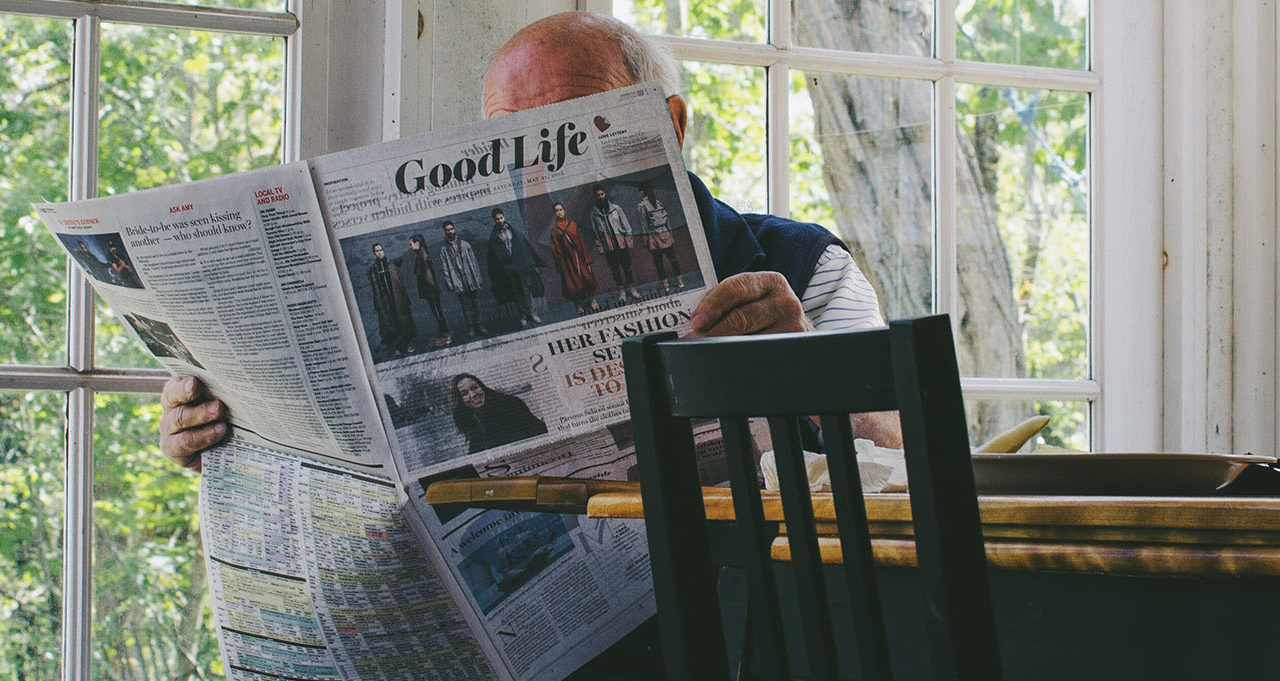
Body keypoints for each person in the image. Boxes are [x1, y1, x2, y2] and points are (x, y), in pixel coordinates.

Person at [158, 10, 899, 505]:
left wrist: (802, 371)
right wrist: (225, 433)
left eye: (571, 131)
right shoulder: (494, 268)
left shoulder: (802, 267)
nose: (541, 177)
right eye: (508, 146)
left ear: (668, 127)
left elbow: (906, 463)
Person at [450, 373, 548, 454]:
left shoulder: (509, 405)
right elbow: (476, 450)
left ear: (482, 387)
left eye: (475, 387)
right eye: (464, 394)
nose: (473, 395)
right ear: (460, 401)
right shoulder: (471, 420)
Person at [485, 208, 543, 328]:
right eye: (497, 219)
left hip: (521, 266)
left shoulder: (514, 231)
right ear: (494, 220)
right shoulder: (494, 236)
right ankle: (522, 316)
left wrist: (531, 263)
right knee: (515, 293)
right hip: (508, 269)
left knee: (527, 291)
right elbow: (494, 256)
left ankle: (532, 313)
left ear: (504, 217)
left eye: (501, 218)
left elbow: (524, 246)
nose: (500, 220)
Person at [588, 184, 642, 303]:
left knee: (627, 267)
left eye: (602, 194)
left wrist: (628, 241)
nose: (601, 197)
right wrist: (600, 247)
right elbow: (595, 232)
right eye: (598, 195)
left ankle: (632, 289)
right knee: (615, 270)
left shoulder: (616, 209)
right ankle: (621, 292)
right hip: (608, 246)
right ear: (595, 197)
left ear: (605, 194)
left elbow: (626, 225)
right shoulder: (594, 213)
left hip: (621, 243)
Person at [437, 220, 489, 339]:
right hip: (458, 281)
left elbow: (474, 262)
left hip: (470, 278)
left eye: (451, 229)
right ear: (444, 232)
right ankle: (471, 328)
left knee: (476, 304)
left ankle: (480, 326)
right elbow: (445, 269)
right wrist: (451, 283)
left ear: (454, 229)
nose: (450, 231)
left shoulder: (465, 245)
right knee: (465, 306)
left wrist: (477, 277)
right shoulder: (444, 250)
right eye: (447, 230)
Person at [548, 201, 600, 315]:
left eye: (560, 210)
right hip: (567, 261)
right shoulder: (554, 229)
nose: (559, 212)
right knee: (572, 283)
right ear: (554, 213)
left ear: (564, 210)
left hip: (579, 257)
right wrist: (560, 263)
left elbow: (581, 241)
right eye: (556, 211)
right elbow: (555, 248)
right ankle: (578, 304)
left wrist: (587, 258)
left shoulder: (572, 224)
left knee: (587, 278)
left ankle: (592, 299)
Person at [367, 242, 416, 356]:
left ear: (383, 250)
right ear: (374, 253)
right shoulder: (373, 270)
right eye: (376, 251)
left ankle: (408, 344)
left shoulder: (392, 265)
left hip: (397, 298)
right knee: (391, 323)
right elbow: (375, 288)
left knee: (403, 320)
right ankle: (397, 346)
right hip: (385, 300)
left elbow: (400, 282)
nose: (379, 253)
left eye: (380, 250)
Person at [636, 182, 683, 293]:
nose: (638, 194)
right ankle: (680, 282)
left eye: (639, 191)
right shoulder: (659, 203)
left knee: (658, 262)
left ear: (642, 192)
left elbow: (643, 225)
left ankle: (665, 285)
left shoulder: (641, 206)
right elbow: (668, 221)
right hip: (665, 232)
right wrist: (670, 234)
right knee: (673, 259)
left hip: (653, 236)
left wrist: (645, 240)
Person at [408, 234, 451, 346]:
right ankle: (444, 335)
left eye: (411, 244)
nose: (410, 246)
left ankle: (446, 336)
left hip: (430, 290)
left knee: (437, 312)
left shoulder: (422, 255)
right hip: (431, 289)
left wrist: (431, 290)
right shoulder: (421, 253)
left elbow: (428, 274)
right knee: (437, 312)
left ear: (417, 243)